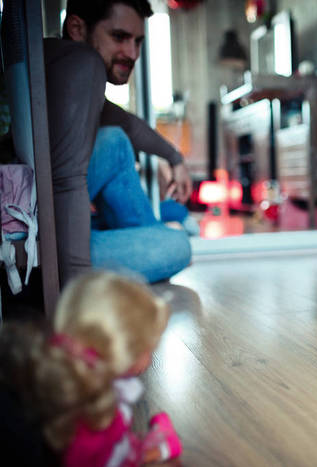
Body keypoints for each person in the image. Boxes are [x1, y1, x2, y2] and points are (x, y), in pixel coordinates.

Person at [44, 0, 192, 286]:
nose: (133, 53)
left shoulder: (57, 60)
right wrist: (73, 289)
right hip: (42, 244)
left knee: (114, 139)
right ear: (76, 28)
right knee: (176, 247)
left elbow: (127, 125)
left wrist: (175, 158)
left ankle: (152, 235)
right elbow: (66, 183)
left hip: (47, 215)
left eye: (137, 41)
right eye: (119, 37)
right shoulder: (84, 63)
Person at [0, 271, 182, 466]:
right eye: (150, 347)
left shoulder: (64, 371)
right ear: (125, 351)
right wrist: (147, 452)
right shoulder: (92, 416)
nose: (151, 353)